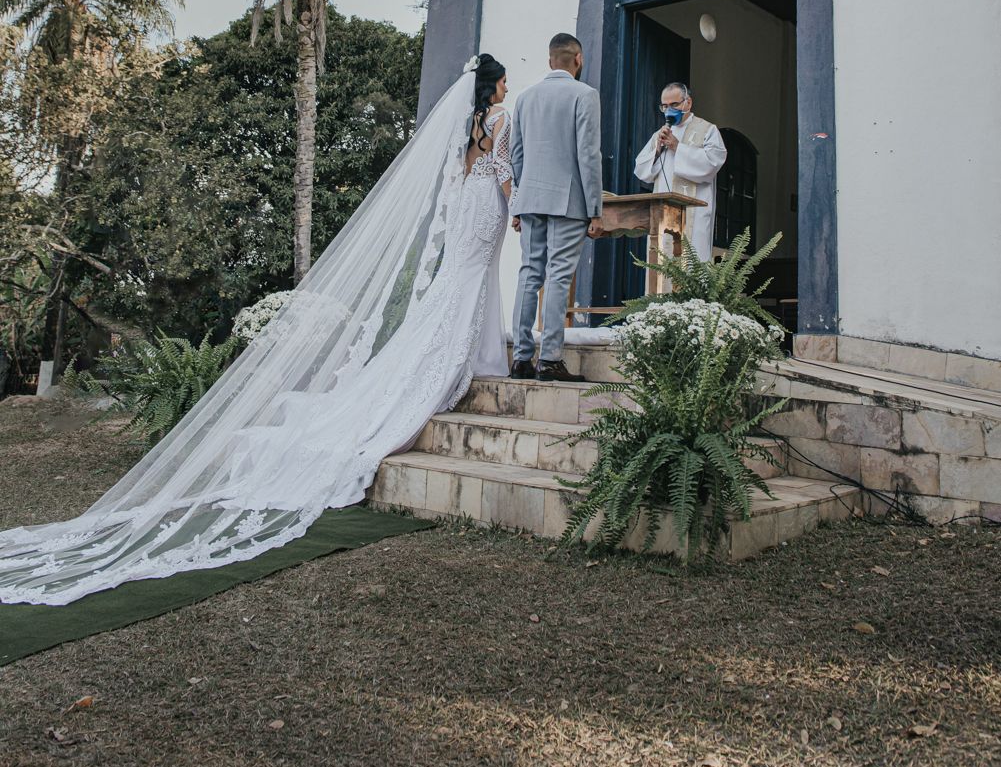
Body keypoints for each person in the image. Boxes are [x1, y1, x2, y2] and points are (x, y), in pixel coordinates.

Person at [0, 54, 513, 607]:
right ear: (492, 86)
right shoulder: (501, 121)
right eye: (505, 79)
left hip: (465, 210)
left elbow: (461, 173)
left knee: (459, 286)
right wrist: (514, 204)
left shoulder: (465, 126)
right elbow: (503, 172)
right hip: (485, 207)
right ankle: (469, 359)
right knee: (472, 283)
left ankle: (469, 354)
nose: (509, 86)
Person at [510, 33, 603, 382]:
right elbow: (588, 156)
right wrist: (595, 208)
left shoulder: (525, 98)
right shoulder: (585, 95)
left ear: (551, 61)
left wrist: (520, 201)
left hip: (531, 199)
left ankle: (520, 359)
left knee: (529, 275)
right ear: (577, 59)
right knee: (558, 276)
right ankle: (549, 360)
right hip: (569, 202)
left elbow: (516, 155)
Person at [634, 81, 727, 262]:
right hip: (664, 215)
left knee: (692, 264)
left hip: (694, 215)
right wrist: (657, 150)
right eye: (665, 106)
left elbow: (713, 163)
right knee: (662, 263)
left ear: (688, 103)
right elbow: (641, 169)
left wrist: (678, 147)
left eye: (674, 105)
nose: (669, 110)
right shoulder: (660, 134)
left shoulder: (707, 131)